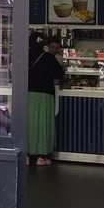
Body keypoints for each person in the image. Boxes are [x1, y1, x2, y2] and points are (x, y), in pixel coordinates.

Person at [27, 31, 64, 166]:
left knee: (28, 123)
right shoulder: (48, 57)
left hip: (27, 94)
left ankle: (26, 155)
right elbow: (59, 74)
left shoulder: (24, 55)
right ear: (44, 44)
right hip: (44, 94)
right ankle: (40, 157)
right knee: (42, 124)